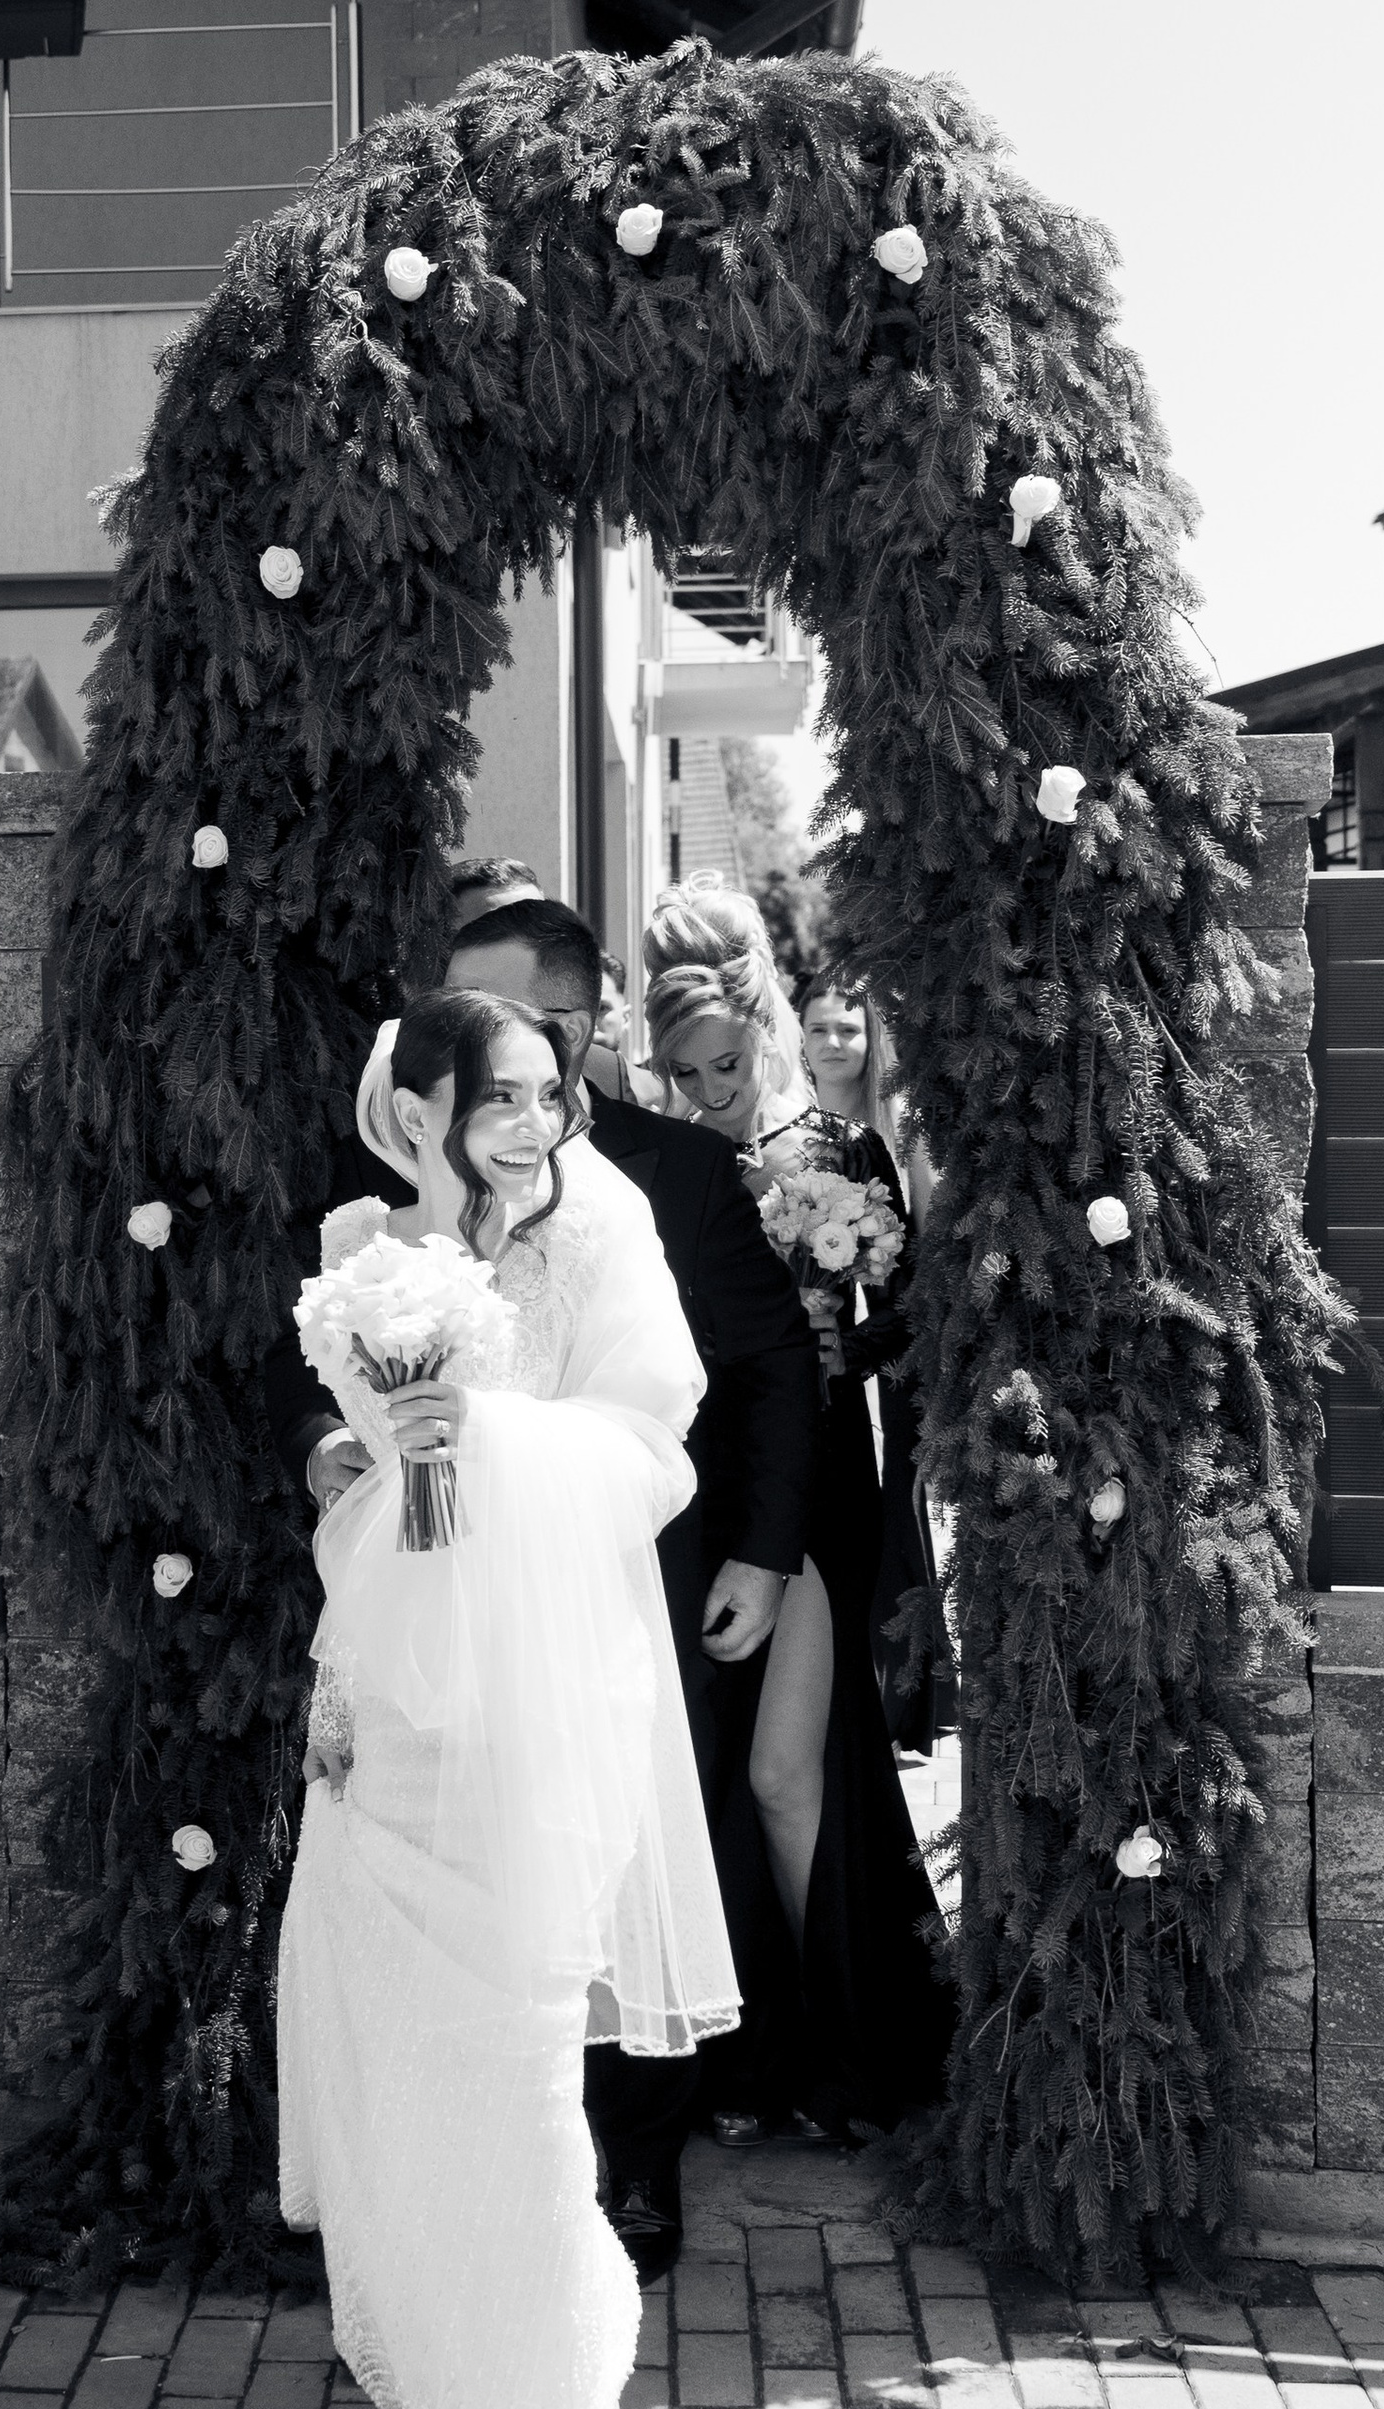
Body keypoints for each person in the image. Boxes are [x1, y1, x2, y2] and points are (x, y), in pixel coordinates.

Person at [266, 892, 818, 2283]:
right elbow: (316, 1400)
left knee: (582, 1902)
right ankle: (436, 2202)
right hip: (402, 1634)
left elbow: (733, 1382)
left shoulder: (646, 1194)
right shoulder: (362, 1242)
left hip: (584, 1611)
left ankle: (609, 2178)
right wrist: (345, 1449)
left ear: (570, 1030)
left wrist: (758, 1546)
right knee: (424, 1917)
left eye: (520, 1045)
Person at [276, 988, 736, 2409]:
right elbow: (343, 1449)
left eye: (556, 1093)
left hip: (549, 1710)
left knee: (522, 2077)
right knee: (391, 2054)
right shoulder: (358, 1239)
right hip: (382, 1704)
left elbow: (652, 1449)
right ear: (425, 1108)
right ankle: (497, 2366)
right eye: (504, 1097)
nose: (540, 1124)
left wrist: (484, 1439)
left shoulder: (602, 1228)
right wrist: (354, 1464)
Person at [642, 887, 955, 2134]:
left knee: (788, 1771)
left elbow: (911, 1315)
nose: (713, 1085)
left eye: (728, 1061)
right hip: (694, 1490)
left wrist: (841, 1335)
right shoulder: (656, 1168)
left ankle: (841, 2050)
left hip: (817, 1491)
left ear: (764, 1031)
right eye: (686, 1071)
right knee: (716, 1781)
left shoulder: (838, 1149)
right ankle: (749, 2053)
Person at [793, 963, 947, 1752]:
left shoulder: (894, 1127)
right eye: (818, 1027)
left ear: (871, 1037)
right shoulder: (791, 1127)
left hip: (889, 1338)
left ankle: (910, 1693)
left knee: (900, 1508)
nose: (832, 1042)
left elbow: (915, 1248)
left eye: (847, 1028)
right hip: (826, 1344)